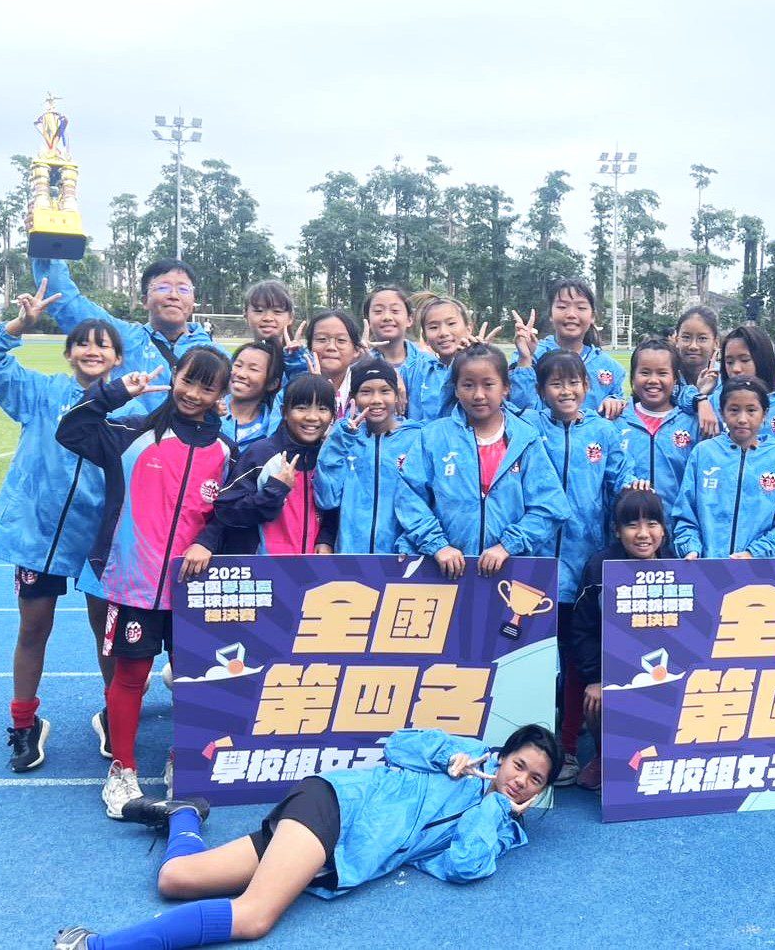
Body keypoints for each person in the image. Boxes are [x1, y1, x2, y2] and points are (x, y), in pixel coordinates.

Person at [54, 726, 560, 950]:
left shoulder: (501, 827)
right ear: (503, 755)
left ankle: (184, 816)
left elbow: (463, 866)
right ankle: (91, 946)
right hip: (336, 807)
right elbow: (399, 745)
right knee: (254, 916)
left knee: (176, 878)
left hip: (337, 850)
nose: (521, 780)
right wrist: (445, 756)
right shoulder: (467, 754)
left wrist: (495, 805)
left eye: (535, 780)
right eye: (518, 765)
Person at [56, 347, 235, 817]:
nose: (193, 394)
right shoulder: (131, 433)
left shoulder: (225, 450)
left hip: (192, 589)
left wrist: (207, 542)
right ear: (174, 377)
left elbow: (228, 514)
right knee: (131, 676)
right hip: (133, 580)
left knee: (193, 682)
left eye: (207, 387)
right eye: (188, 380)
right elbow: (70, 430)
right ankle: (123, 770)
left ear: (221, 394)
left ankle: (183, 761)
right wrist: (115, 392)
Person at [0, 279, 121, 772]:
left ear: (118, 358)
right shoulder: (40, 392)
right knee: (34, 627)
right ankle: (25, 721)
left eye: (103, 344)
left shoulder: (132, 404)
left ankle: (116, 714)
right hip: (39, 535)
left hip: (102, 541)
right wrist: (19, 325)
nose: (92, 350)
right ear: (69, 352)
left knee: (107, 632)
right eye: (83, 343)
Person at [525, 351, 635, 786]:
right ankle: (527, 749)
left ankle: (568, 747)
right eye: (555, 383)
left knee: (575, 664)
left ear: (587, 387)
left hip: (582, 568)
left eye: (573, 383)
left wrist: (635, 491)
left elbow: (620, 483)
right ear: (540, 391)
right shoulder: (527, 428)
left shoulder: (603, 432)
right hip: (533, 567)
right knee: (531, 662)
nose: (566, 391)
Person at [396, 344, 570, 580]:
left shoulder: (525, 439)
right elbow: (410, 498)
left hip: (510, 572)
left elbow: (550, 507)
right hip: (442, 571)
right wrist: (437, 545)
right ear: (455, 389)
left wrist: (508, 546)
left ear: (505, 388)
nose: (478, 395)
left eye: (488, 385)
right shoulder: (433, 437)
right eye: (468, 385)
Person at [567, 489, 673, 792]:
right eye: (632, 525)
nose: (643, 534)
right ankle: (604, 757)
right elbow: (582, 630)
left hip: (663, 670)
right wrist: (596, 678)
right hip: (613, 671)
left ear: (663, 530)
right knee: (595, 698)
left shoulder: (677, 564)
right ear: (616, 530)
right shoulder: (599, 566)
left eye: (652, 524)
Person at [32, 255, 220, 410]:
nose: (173, 295)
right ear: (145, 300)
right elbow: (67, 303)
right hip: (131, 442)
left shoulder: (217, 355)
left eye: (183, 289)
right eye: (162, 287)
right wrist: (47, 244)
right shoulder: (122, 337)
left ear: (193, 301)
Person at [203, 374, 336, 556]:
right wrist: (273, 492)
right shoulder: (262, 453)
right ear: (284, 412)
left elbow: (334, 509)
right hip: (264, 566)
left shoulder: (328, 459)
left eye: (322, 409)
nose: (312, 417)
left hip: (313, 567)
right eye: (301, 408)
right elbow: (227, 511)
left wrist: (326, 538)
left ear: (333, 415)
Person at [672, 377, 775, 560]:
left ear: (765, 414)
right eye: (734, 410)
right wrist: (691, 549)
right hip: (706, 566)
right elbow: (685, 513)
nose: (742, 419)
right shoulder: (704, 453)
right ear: (722, 413)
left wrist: (753, 553)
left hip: (759, 568)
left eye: (751, 410)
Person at [314, 359, 421, 555]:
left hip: (401, 557)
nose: (376, 400)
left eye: (385, 391)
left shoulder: (416, 438)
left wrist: (410, 541)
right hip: (351, 557)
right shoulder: (342, 438)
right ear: (353, 398)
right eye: (366, 392)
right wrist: (339, 442)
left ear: (397, 396)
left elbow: (427, 500)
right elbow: (326, 499)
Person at [509, 278, 626, 419]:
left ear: (593, 316)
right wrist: (525, 360)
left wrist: (615, 402)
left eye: (581, 308)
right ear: (551, 315)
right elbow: (518, 411)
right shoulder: (530, 354)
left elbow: (619, 410)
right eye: (562, 307)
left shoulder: (609, 367)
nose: (571, 314)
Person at [616, 337, 703, 513]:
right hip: (628, 526)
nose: (653, 380)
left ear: (675, 379)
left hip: (677, 526)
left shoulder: (692, 424)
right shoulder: (616, 422)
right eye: (645, 372)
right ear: (633, 377)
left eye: (662, 373)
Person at [692, 324, 775, 441]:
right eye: (729, 362)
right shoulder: (713, 401)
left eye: (745, 360)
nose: (736, 369)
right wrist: (700, 396)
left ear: (763, 360)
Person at [399, 296, 500, 422]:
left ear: (469, 328)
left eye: (451, 324)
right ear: (425, 337)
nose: (443, 332)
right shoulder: (414, 371)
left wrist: (481, 360)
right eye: (433, 327)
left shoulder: (489, 368)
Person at [282, 310, 362, 417]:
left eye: (341, 340)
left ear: (356, 350)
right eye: (322, 339)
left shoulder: (366, 387)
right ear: (309, 348)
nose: (331, 347)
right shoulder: (292, 388)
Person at [219, 342, 284, 453]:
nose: (240, 374)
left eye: (253, 369)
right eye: (238, 365)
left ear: (272, 383)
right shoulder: (209, 410)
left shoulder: (272, 428)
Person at [672, 305, 722, 437]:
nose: (693, 346)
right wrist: (699, 398)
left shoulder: (726, 379)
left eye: (702, 338)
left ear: (716, 343)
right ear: (676, 340)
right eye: (686, 337)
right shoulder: (667, 377)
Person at [361, 286, 428, 372]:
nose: (387, 317)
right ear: (368, 320)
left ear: (409, 319)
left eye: (395, 310)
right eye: (378, 311)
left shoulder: (429, 365)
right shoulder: (359, 366)